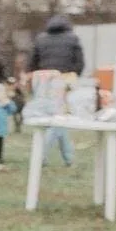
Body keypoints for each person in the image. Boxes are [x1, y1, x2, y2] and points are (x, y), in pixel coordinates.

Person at [30, 14, 86, 168]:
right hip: (64, 81)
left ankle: (68, 157)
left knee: (57, 119)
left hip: (42, 82)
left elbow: (32, 62)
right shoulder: (72, 38)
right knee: (59, 120)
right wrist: (73, 77)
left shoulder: (41, 39)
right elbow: (80, 63)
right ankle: (41, 155)